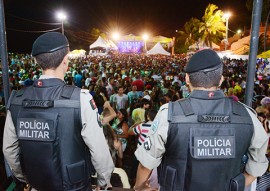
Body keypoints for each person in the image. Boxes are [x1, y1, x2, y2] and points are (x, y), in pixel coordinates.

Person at [134, 49, 269, 191]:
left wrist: (140, 187)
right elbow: (257, 166)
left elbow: (145, 164)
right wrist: (233, 186)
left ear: (187, 78)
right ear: (221, 79)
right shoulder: (246, 115)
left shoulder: (169, 114)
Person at [3, 32, 114, 191]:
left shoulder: (17, 101)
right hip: (74, 186)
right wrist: (103, 184)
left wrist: (25, 178)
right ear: (65, 61)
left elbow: (9, 150)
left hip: (37, 185)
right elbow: (100, 153)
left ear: (37, 61)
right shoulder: (80, 99)